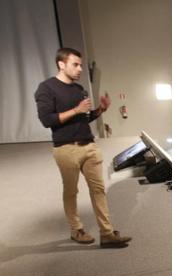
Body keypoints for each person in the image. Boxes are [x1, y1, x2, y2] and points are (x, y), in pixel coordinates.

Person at [35, 48, 131, 248]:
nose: (79, 69)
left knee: (98, 190)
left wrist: (100, 110)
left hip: (89, 147)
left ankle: (107, 233)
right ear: (62, 64)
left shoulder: (79, 89)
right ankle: (76, 230)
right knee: (71, 191)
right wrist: (76, 109)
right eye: (75, 64)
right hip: (66, 149)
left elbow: (84, 118)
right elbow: (46, 120)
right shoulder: (46, 88)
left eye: (80, 65)